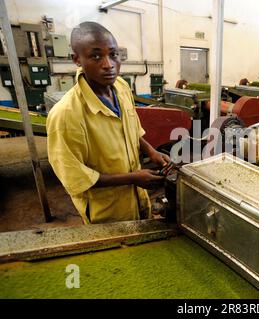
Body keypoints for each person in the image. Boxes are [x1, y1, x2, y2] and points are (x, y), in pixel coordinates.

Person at [46, 21, 170, 224]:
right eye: (96, 56)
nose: (108, 64)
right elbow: (75, 177)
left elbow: (132, 130)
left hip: (138, 198)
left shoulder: (120, 87)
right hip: (106, 212)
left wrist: (151, 152)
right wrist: (133, 178)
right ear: (76, 59)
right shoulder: (66, 115)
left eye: (113, 54)